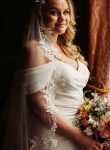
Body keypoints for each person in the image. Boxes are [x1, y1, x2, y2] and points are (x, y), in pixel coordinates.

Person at [2, 0, 103, 149]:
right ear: (40, 14)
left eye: (66, 12)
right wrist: (78, 136)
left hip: (80, 134)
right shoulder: (34, 49)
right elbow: (38, 105)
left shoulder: (68, 49)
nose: (62, 18)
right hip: (56, 137)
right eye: (53, 12)